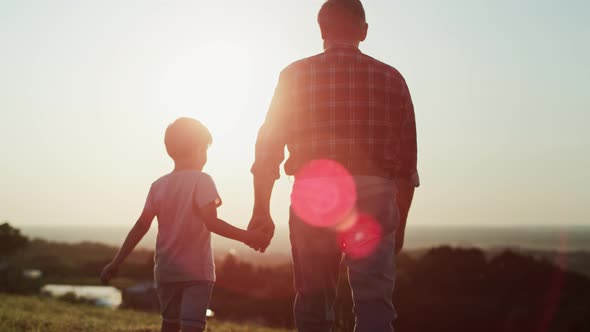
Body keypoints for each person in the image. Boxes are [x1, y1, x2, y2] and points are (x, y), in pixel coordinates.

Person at [248, 1, 419, 331]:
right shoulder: (393, 78)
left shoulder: (294, 75)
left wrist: (261, 210)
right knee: (374, 302)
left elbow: (268, 147)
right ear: (364, 32)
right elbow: (406, 166)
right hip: (374, 193)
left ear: (322, 30)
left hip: (315, 192)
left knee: (313, 299)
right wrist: (401, 223)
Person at [100, 117, 270, 332]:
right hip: (197, 273)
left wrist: (116, 262)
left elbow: (140, 226)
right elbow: (212, 222)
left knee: (169, 325)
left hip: (166, 272)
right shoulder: (202, 180)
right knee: (192, 326)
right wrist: (248, 236)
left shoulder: (158, 186)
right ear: (200, 148)